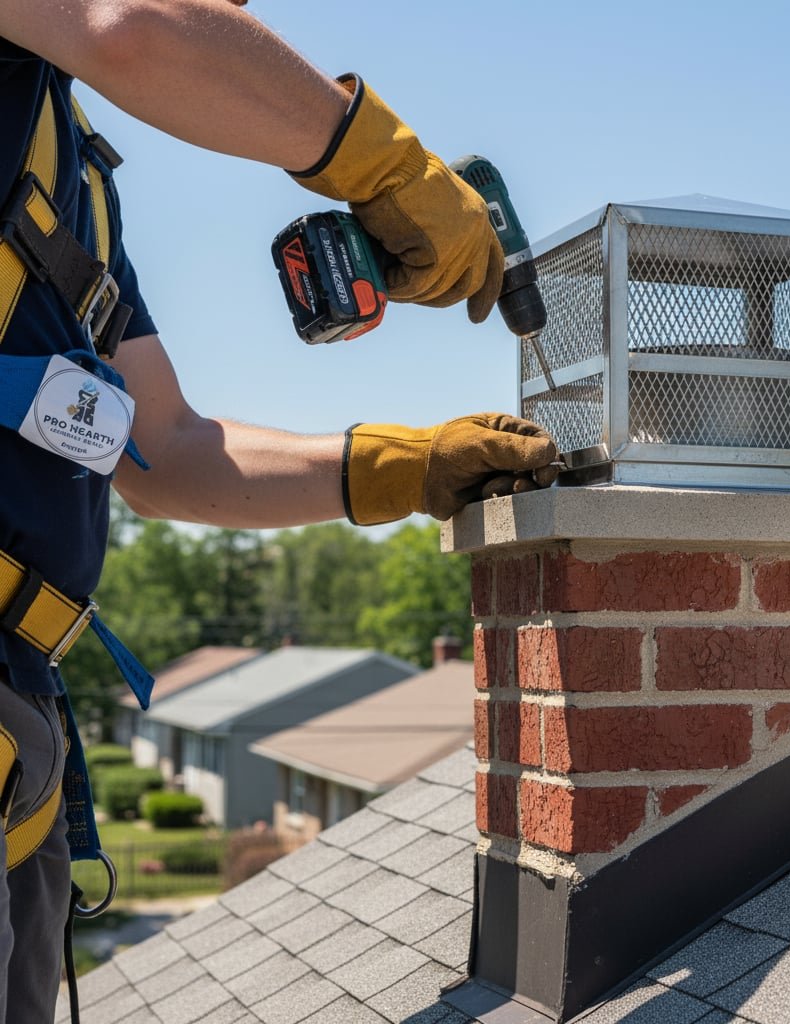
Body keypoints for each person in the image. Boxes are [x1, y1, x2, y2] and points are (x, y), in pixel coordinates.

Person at [0, 1, 558, 1019]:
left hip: (16, 737)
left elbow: (164, 447)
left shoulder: (62, 178)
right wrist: (391, 172)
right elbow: (130, 29)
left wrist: (402, 469)